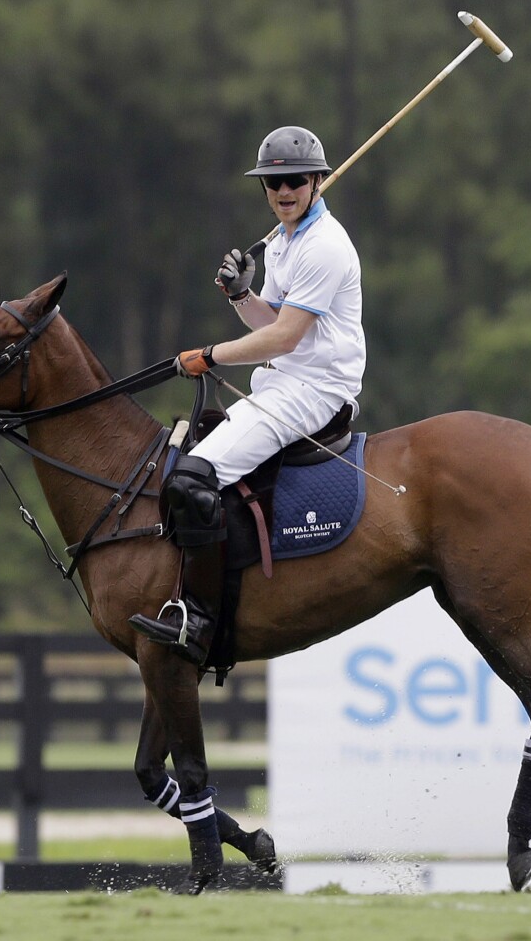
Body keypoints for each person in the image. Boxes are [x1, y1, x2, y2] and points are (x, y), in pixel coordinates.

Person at [129, 126, 365, 664]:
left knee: (193, 477)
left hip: (315, 389)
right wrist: (242, 296)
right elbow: (276, 322)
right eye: (273, 182)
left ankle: (200, 620)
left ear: (318, 181)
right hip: (282, 381)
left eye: (295, 181)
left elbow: (284, 339)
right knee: (187, 468)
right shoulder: (285, 241)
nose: (283, 192)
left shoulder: (325, 246)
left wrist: (210, 355)